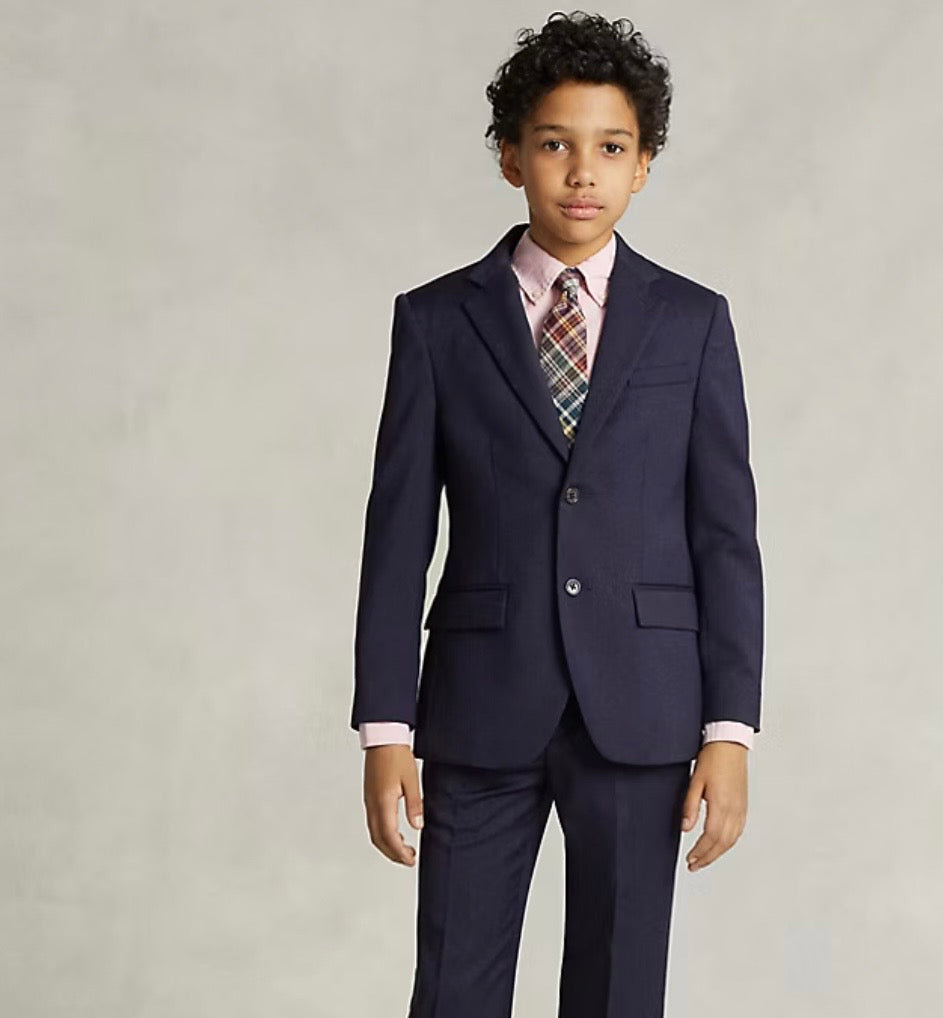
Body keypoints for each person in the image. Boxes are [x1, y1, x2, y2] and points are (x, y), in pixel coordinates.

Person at [351, 11, 764, 1016]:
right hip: (479, 705)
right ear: (510, 157)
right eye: (554, 144)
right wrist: (385, 727)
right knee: (453, 988)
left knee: (619, 993)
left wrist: (730, 729)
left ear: (644, 164)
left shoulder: (693, 323)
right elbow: (397, 535)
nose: (583, 172)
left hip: (643, 707)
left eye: (610, 148)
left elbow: (725, 537)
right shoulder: (436, 321)